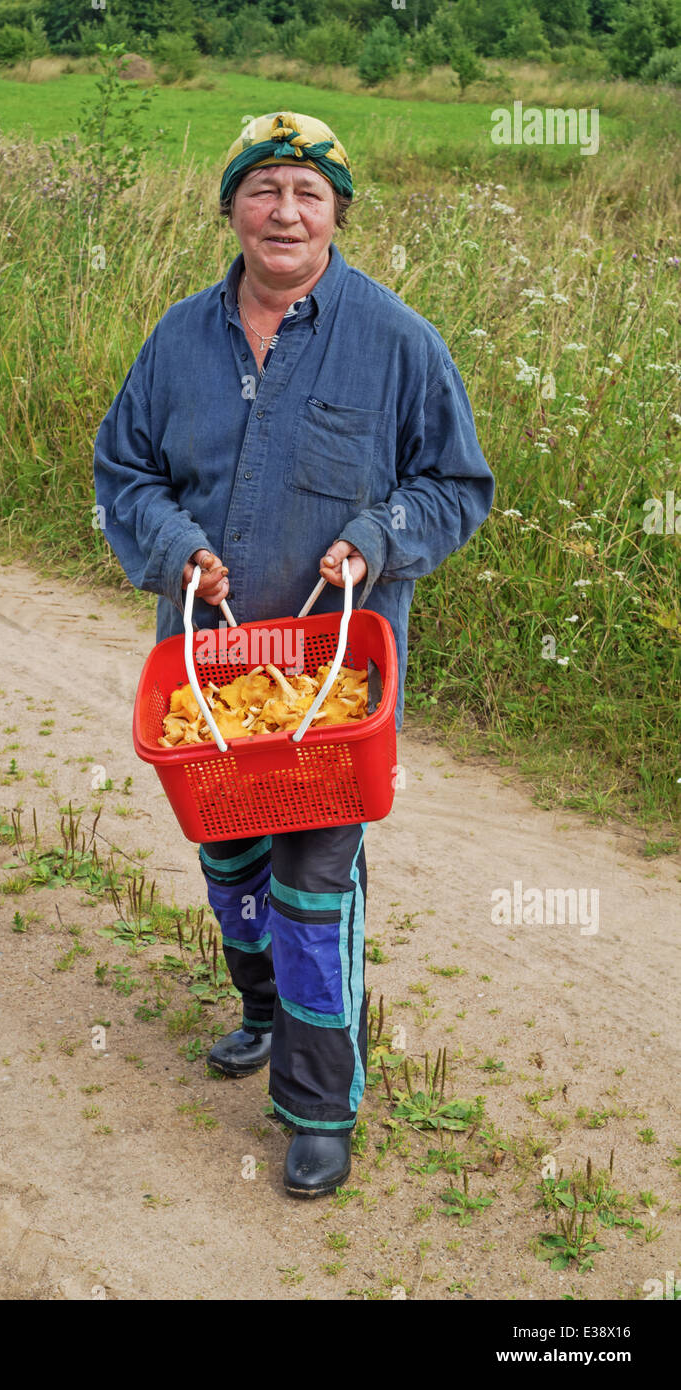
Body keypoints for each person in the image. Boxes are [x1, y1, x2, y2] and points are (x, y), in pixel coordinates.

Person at [93, 111, 495, 1197]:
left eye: (308, 193)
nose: (285, 211)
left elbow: (459, 487)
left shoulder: (399, 340)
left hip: (331, 691)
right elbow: (123, 470)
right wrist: (175, 547)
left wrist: (379, 535)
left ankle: (320, 1104)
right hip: (211, 684)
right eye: (265, 187)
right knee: (232, 866)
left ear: (337, 213)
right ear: (232, 205)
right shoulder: (179, 339)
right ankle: (262, 1008)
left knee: (316, 883)